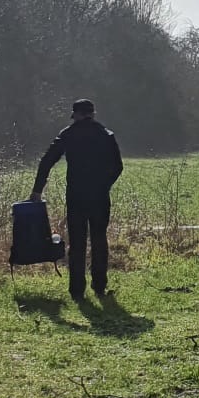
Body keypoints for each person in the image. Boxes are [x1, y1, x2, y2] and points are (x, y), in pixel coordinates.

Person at [30, 98, 124, 299]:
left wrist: (37, 190)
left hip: (76, 195)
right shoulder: (106, 135)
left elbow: (46, 161)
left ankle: (76, 290)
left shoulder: (68, 134)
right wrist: (104, 185)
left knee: (77, 241)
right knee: (99, 239)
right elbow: (118, 167)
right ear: (92, 113)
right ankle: (99, 286)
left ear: (77, 115)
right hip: (99, 196)